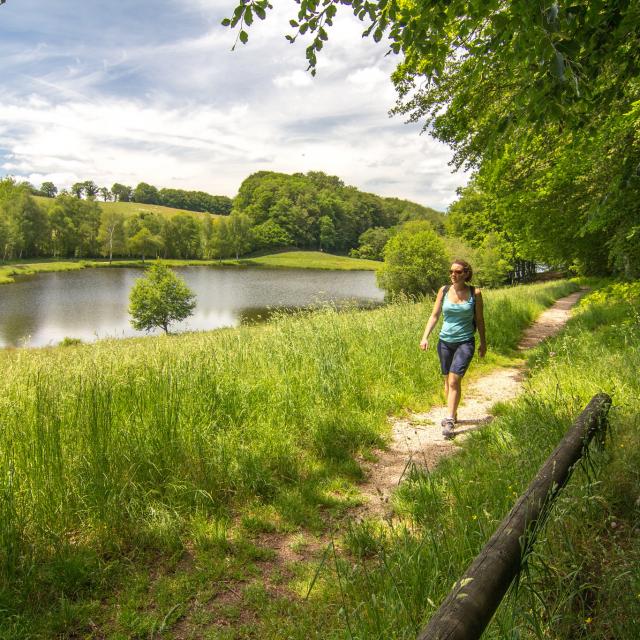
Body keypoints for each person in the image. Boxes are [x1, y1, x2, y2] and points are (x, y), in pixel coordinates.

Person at [420, 259, 486, 439]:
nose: (453, 274)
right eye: (451, 271)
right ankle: (453, 411)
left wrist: (483, 342)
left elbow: (479, 320)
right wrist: (425, 336)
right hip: (444, 342)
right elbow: (434, 315)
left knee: (454, 380)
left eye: (457, 272)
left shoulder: (475, 293)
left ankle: (449, 419)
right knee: (447, 381)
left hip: (465, 342)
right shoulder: (444, 290)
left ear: (466, 273)